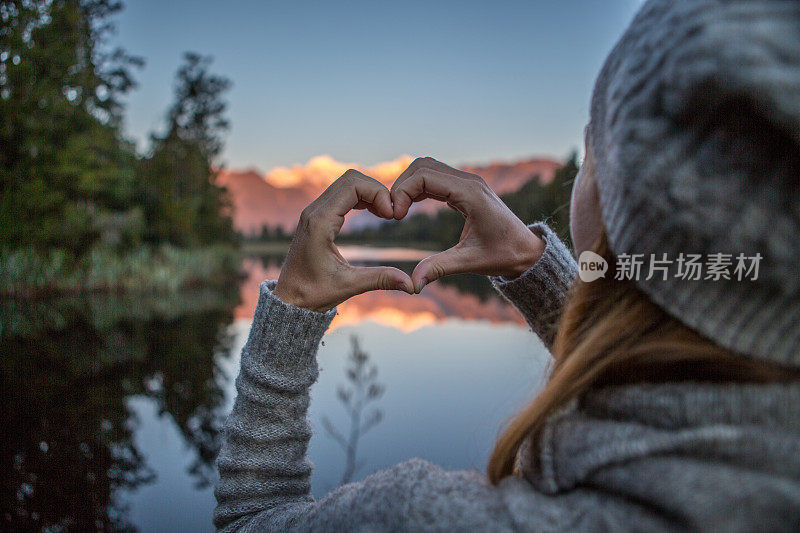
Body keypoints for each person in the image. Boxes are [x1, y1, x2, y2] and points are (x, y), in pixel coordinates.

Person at [214, 0, 800, 530]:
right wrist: (535, 269)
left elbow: (249, 520)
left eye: (591, 151)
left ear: (609, 207)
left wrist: (289, 315)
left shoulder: (427, 521)